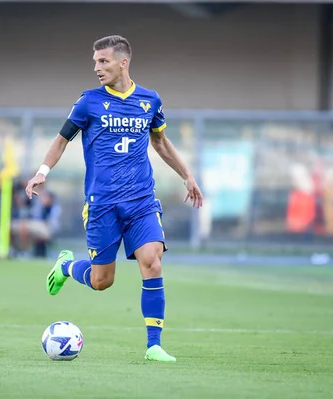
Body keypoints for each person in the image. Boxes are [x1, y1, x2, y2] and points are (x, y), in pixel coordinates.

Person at [25, 35, 203, 362]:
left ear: (123, 62)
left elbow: (161, 143)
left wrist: (186, 175)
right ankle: (66, 266)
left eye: (103, 61)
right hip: (102, 204)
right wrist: (42, 172)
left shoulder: (150, 100)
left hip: (141, 201)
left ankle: (154, 346)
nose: (97, 68)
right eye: (95, 62)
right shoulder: (88, 102)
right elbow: (62, 139)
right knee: (101, 280)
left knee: (152, 261)